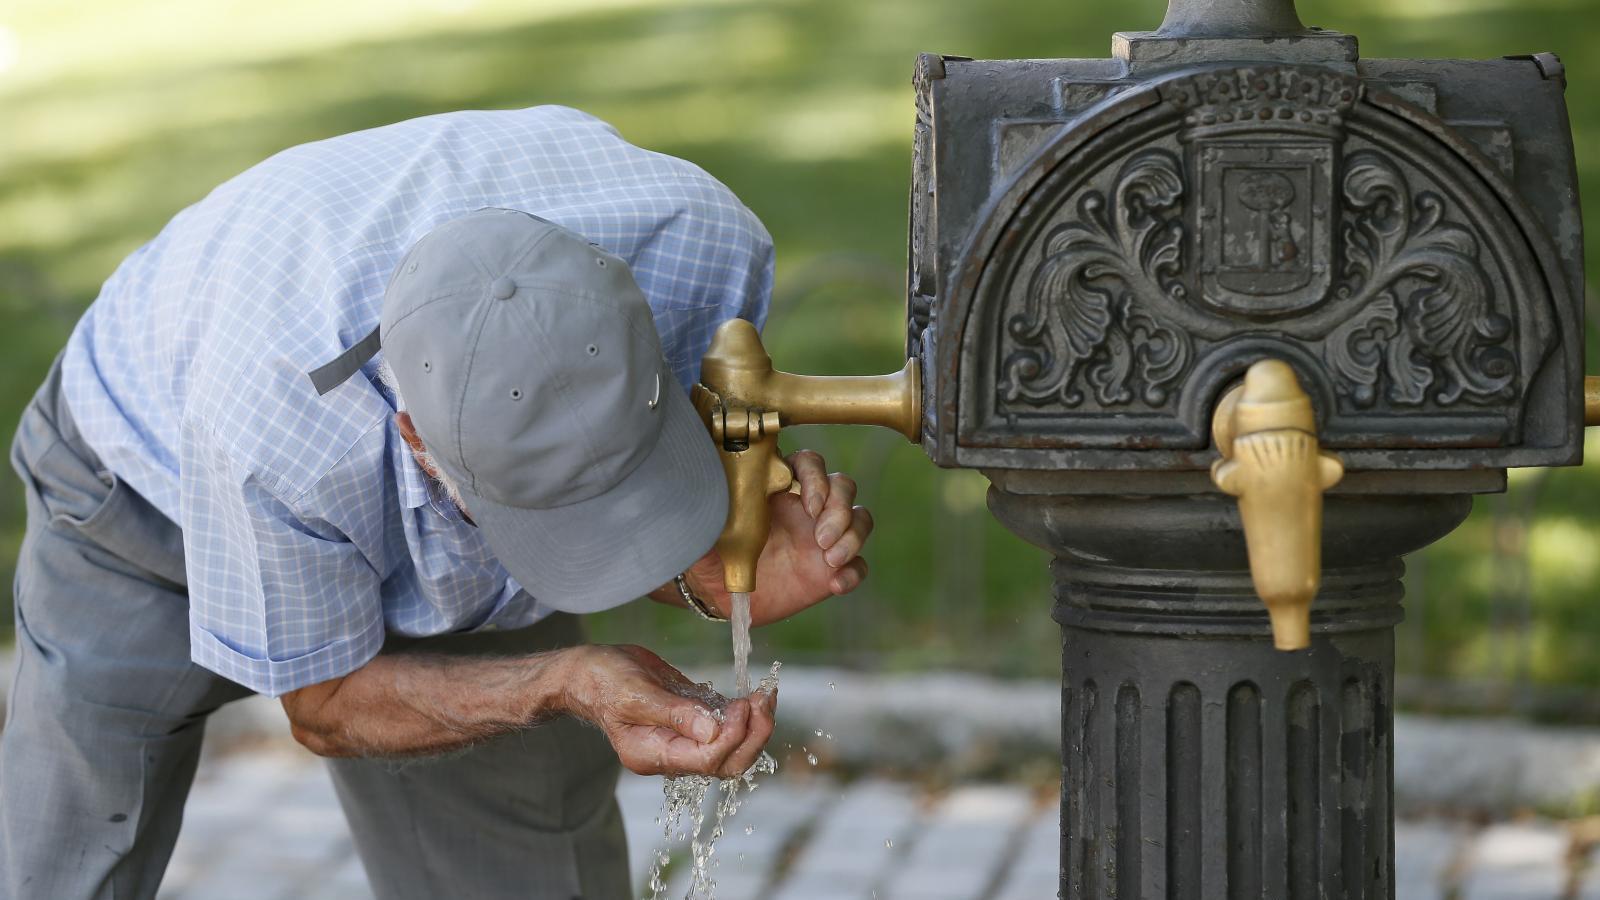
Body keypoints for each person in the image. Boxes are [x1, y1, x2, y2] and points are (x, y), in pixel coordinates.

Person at [0, 106, 875, 900]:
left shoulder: (697, 250)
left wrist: (716, 560)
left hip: (331, 435)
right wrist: (562, 682)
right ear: (417, 439)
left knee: (530, 868)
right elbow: (325, 703)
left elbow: (624, 457)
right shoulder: (280, 437)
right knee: (70, 862)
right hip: (138, 501)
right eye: (540, 516)